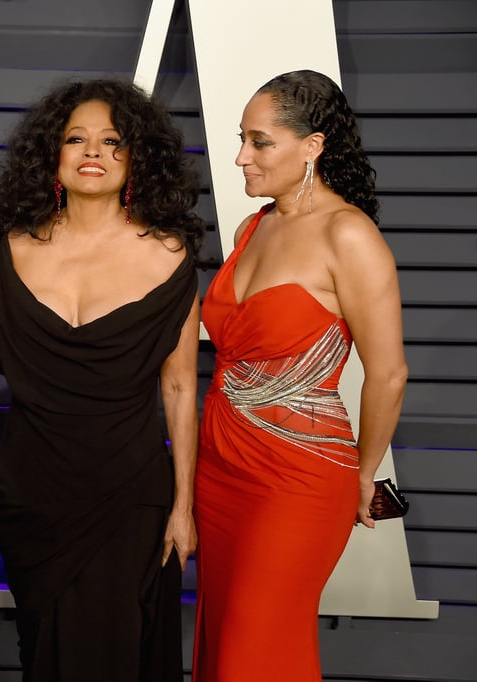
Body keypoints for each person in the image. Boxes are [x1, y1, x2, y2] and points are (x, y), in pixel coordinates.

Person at [0, 78, 203, 681]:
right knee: (44, 651)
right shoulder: (13, 249)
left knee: (113, 649)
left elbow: (179, 387)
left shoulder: (172, 256)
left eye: (111, 141)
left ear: (137, 159)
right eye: (76, 139)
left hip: (129, 492)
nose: (92, 152)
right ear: (52, 155)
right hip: (30, 494)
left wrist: (184, 506)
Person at [192, 70, 407, 682]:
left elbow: (388, 373)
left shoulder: (350, 235)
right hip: (220, 465)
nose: (240, 157)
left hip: (299, 476)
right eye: (241, 139)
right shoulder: (251, 229)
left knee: (256, 650)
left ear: (312, 146)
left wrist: (365, 473)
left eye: (260, 142)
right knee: (222, 638)